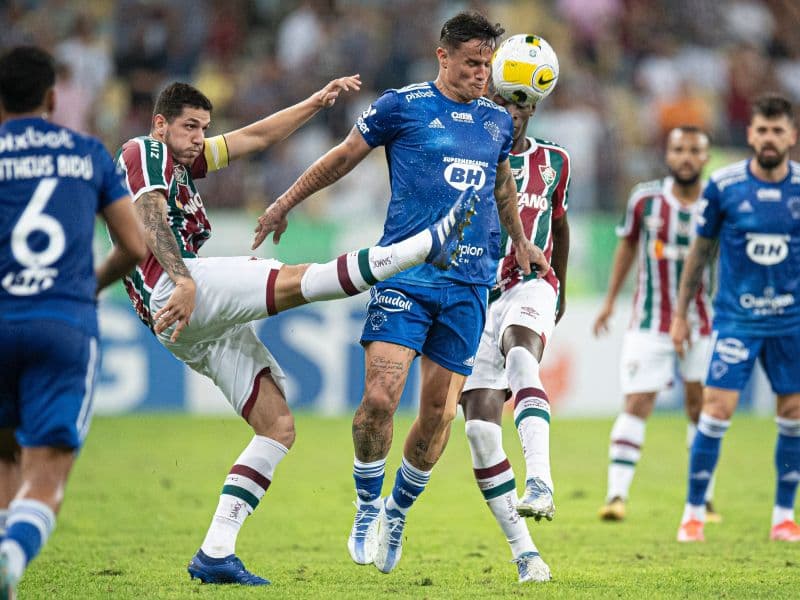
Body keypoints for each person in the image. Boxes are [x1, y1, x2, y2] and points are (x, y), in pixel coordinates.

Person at [117, 77, 475, 586]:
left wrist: (313, 102)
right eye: (189, 127)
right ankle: (425, 246)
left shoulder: (183, 160)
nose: (199, 138)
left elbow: (255, 138)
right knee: (300, 280)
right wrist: (180, 277)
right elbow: (149, 212)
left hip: (183, 324)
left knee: (278, 427)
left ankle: (216, 552)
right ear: (160, 124)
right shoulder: (143, 151)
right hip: (178, 291)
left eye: (203, 129)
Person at [253, 11, 549, 575]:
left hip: (469, 283)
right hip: (406, 277)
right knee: (380, 401)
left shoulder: (495, 123)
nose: (481, 75)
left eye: (487, 65)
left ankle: (398, 509)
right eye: (470, 63)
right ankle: (366, 507)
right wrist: (284, 202)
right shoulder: (402, 105)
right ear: (443, 56)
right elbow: (341, 157)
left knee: (438, 416)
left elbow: (503, 184)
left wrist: (520, 242)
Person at [0, 46, 147, 598]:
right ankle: (11, 558)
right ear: (52, 97)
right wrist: (89, 285)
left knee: (6, 456)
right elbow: (133, 246)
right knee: (48, 471)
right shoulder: (88, 154)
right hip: (63, 322)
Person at [458, 35, 570, 584]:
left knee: (522, 358)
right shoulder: (465, 157)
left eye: (524, 103)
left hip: (529, 285)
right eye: (506, 100)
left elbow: (562, 224)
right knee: (478, 430)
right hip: (475, 294)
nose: (515, 112)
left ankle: (542, 480)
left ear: (536, 106)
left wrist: (562, 287)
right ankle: (525, 552)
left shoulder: (554, 162)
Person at [672, 94, 800, 543]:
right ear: (750, 134)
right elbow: (700, 252)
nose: (769, 138)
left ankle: (784, 516)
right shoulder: (724, 186)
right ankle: (693, 513)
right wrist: (682, 314)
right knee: (716, 409)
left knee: (794, 414)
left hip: (791, 322)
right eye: (761, 130)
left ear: (792, 136)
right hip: (738, 321)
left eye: (777, 130)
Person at [593, 127, 720, 522]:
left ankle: (703, 500)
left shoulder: (719, 203)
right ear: (668, 154)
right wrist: (611, 300)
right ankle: (616, 496)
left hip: (704, 322)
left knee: (702, 408)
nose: (685, 157)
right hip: (649, 319)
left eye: (693, 151)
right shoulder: (645, 200)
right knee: (637, 401)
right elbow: (627, 246)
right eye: (678, 149)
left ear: (705, 157)